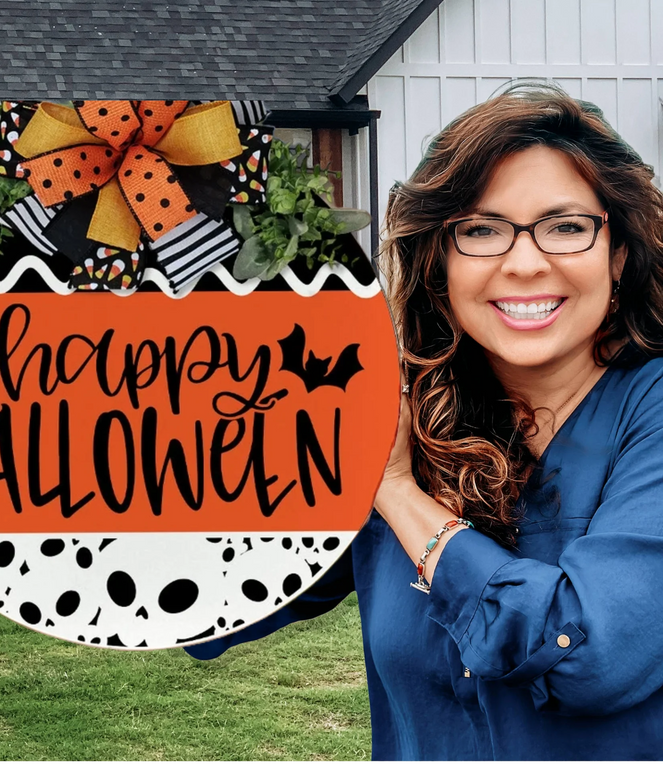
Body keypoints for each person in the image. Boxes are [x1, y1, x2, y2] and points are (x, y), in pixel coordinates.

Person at [187, 83, 663, 761]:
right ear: (440, 263)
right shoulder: (407, 416)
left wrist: (397, 491)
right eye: (481, 230)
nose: (525, 263)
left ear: (617, 255)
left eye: (565, 227)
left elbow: (588, 656)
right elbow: (216, 598)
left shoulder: (648, 414)